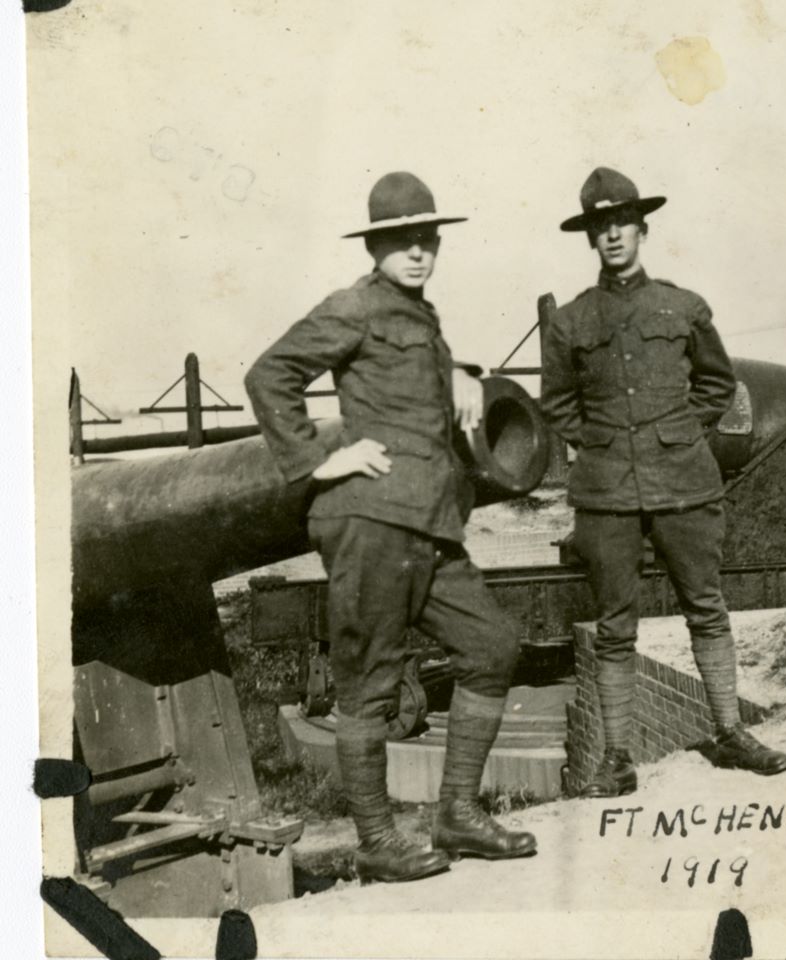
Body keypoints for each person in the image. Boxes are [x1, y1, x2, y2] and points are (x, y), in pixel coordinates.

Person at [245, 171, 536, 882]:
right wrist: (323, 458)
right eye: (401, 240)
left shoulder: (420, 317)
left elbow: (413, 391)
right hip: (371, 519)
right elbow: (269, 375)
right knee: (368, 686)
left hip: (430, 525)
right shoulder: (354, 307)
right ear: (376, 245)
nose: (417, 251)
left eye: (426, 239)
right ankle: (377, 838)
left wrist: (463, 372)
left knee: (492, 646)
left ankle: (457, 814)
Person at [541, 166, 786, 798]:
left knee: (705, 608)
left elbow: (716, 383)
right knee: (614, 624)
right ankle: (616, 758)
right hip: (606, 495)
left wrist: (681, 431)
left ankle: (731, 734)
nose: (613, 236)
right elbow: (558, 403)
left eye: (622, 223)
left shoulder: (683, 307)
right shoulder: (570, 322)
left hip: (685, 482)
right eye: (601, 227)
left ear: (642, 229)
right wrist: (596, 442)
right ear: (591, 239)